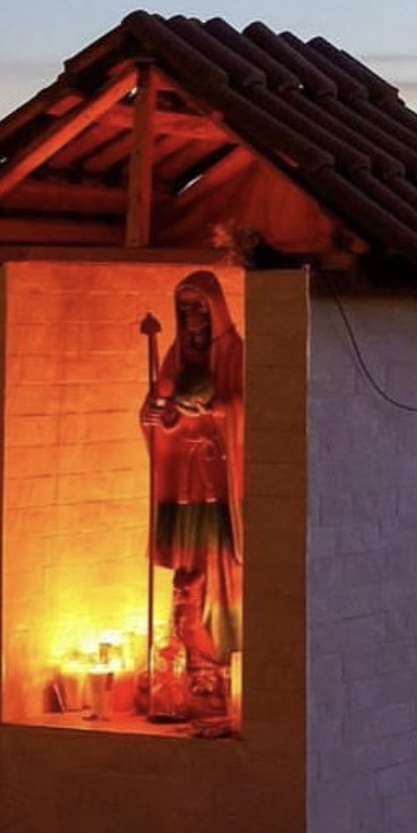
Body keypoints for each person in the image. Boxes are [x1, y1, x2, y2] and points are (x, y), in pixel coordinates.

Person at [140, 272, 243, 707]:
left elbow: (248, 409)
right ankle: (189, 665)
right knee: (188, 575)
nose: (193, 317)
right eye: (185, 310)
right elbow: (162, 411)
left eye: (199, 307)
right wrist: (154, 416)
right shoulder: (175, 356)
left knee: (217, 572)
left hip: (219, 481)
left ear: (215, 308)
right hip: (184, 479)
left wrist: (218, 409)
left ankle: (219, 665)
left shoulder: (235, 354)